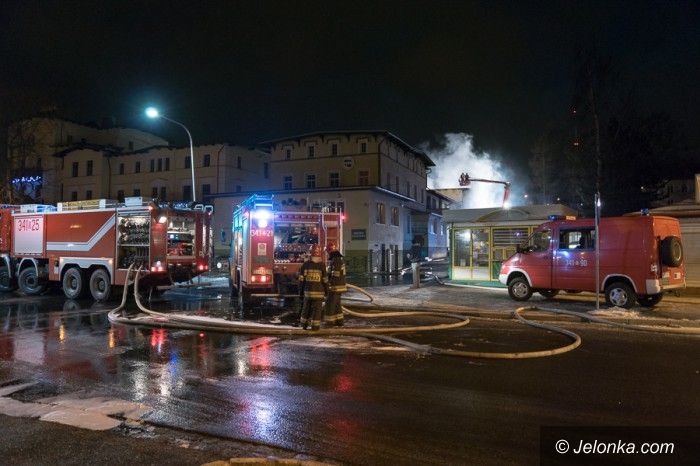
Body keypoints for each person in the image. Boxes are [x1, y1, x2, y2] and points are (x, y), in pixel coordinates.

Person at [298, 244, 328, 330]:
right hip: (319, 293)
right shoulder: (322, 265)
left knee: (306, 309)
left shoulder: (305, 265)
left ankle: (304, 325)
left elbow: (301, 281)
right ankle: (315, 327)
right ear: (319, 253)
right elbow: (325, 280)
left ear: (310, 252)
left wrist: (300, 293)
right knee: (317, 310)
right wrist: (326, 291)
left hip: (308, 293)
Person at [324, 242, 346, 327]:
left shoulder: (336, 260)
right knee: (337, 305)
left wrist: (328, 284)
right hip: (339, 286)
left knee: (330, 304)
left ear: (330, 251)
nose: (327, 253)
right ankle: (339, 321)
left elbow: (335, 275)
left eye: (327, 251)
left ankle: (330, 322)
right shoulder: (337, 259)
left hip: (335, 286)